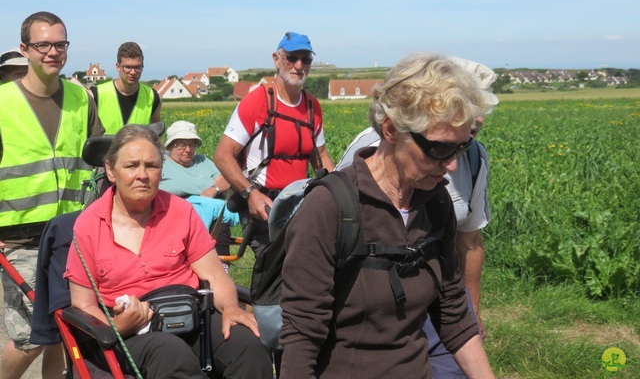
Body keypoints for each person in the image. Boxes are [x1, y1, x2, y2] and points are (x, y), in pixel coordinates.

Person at [279, 54, 497, 378]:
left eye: (460, 148)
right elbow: (302, 339)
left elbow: (453, 316)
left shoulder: (436, 207)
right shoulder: (329, 208)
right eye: (439, 149)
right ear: (392, 129)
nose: (451, 164)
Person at [64, 125, 272, 378]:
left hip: (188, 317)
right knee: (171, 353)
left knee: (248, 345)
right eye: (131, 166)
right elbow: (83, 304)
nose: (142, 175)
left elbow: (216, 276)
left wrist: (230, 307)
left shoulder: (181, 211)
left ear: (161, 171)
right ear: (111, 170)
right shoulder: (88, 225)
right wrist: (117, 326)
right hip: (130, 333)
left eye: (151, 166)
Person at [0, 11, 104, 379]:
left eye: (60, 44)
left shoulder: (82, 97)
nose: (52, 52)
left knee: (64, 331)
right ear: (26, 49)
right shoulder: (2, 103)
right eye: (42, 44)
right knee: (31, 336)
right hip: (18, 240)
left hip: (71, 237)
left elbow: (101, 159)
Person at [214, 32, 334, 256]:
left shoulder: (311, 106)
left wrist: (340, 192)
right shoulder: (257, 101)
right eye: (291, 58)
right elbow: (222, 155)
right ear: (276, 59)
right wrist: (250, 194)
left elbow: (322, 156)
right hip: (263, 203)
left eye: (305, 59)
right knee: (276, 270)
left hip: (299, 202)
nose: (298, 65)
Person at [159, 120, 238, 263]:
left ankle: (221, 268)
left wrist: (213, 189)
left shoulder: (203, 161)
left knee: (219, 225)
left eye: (192, 144)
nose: (188, 150)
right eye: (182, 145)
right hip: (174, 212)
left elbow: (226, 179)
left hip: (210, 211)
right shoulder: (161, 163)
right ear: (170, 146)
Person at [91, 41, 161, 134]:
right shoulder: (96, 95)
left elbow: (156, 135)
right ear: (117, 67)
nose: (133, 72)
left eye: (137, 67)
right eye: (128, 67)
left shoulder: (153, 98)